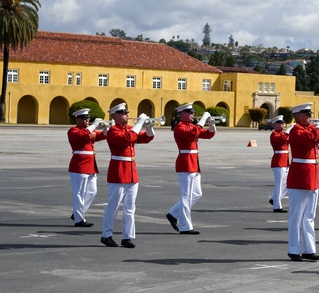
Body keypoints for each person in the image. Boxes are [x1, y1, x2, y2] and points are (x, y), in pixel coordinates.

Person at [100, 103, 154, 248]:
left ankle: (127, 236)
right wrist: (140, 123)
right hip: (118, 171)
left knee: (130, 207)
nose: (127, 116)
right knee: (113, 206)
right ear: (115, 116)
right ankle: (106, 235)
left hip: (131, 172)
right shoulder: (113, 131)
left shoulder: (129, 129)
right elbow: (127, 139)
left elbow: (147, 138)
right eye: (124, 113)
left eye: (126, 113)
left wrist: (149, 126)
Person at [286, 103, 319, 262]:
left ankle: (309, 249)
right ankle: (293, 249)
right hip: (300, 177)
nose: (310, 116)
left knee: (309, 216)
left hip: (311, 177)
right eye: (307, 114)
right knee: (296, 216)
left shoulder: (310, 128)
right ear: (298, 116)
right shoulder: (295, 131)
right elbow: (312, 137)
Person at [166, 103, 216, 235]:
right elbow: (193, 133)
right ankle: (185, 226)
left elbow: (208, 135)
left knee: (197, 194)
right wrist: (203, 119)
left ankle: (173, 213)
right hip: (185, 162)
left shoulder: (191, 126)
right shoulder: (179, 127)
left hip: (194, 163)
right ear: (182, 114)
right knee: (186, 196)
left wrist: (211, 124)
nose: (193, 114)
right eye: (190, 112)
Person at [68, 108, 104, 227]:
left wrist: (108, 127)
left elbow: (104, 135)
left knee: (93, 192)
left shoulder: (89, 131)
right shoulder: (73, 130)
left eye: (88, 119)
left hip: (90, 165)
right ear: (77, 119)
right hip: (79, 165)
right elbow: (81, 135)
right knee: (79, 193)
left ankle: (78, 212)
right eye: (84, 119)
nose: (87, 121)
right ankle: (79, 219)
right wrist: (94, 125)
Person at [268, 115, 290, 213]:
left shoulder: (283, 133)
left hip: (285, 161)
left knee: (288, 184)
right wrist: (287, 131)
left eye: (283, 123)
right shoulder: (274, 134)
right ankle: (277, 206)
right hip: (279, 161)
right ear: (275, 125)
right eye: (280, 123)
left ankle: (274, 198)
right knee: (279, 184)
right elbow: (280, 140)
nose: (283, 125)